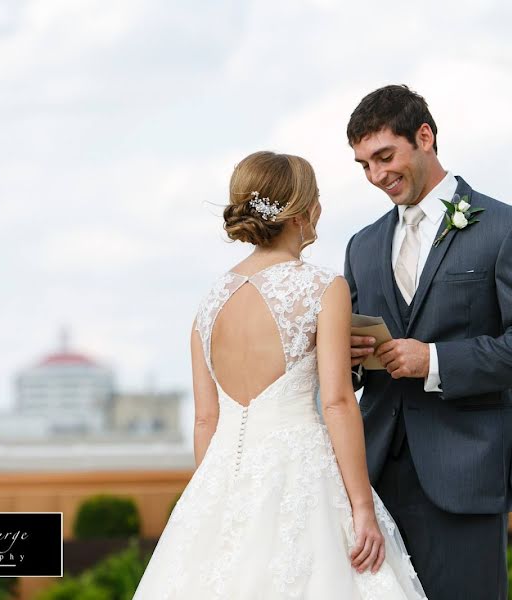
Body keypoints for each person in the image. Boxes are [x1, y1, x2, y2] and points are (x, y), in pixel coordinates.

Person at [132, 151, 426, 599]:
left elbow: (205, 420)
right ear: (303, 212)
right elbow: (337, 402)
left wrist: (215, 502)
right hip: (303, 477)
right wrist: (361, 506)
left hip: (221, 481)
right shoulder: (324, 288)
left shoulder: (209, 302)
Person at [345, 84, 512, 599]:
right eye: (364, 165)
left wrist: (435, 360)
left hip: (464, 476)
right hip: (373, 478)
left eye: (384, 156)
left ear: (425, 136)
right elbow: (348, 363)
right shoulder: (362, 244)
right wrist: (350, 360)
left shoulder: (508, 228)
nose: (377, 176)